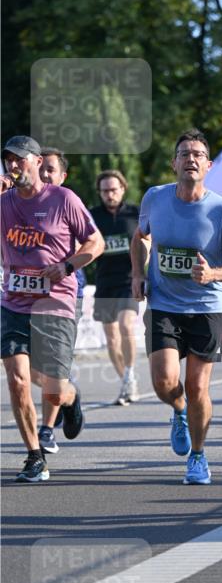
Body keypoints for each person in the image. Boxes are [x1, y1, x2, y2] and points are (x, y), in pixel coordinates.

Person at [130, 128, 222, 484]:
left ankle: (198, 457)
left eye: (198, 154)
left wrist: (213, 273)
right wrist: (138, 272)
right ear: (174, 163)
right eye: (184, 153)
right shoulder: (155, 198)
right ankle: (179, 410)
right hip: (164, 303)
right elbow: (141, 236)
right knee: (164, 382)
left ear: (209, 164)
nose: (191, 159)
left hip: (205, 307)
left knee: (198, 387)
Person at [1, 135, 104, 482]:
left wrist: (68, 266)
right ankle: (34, 455)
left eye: (18, 159)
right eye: (7, 160)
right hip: (13, 303)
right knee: (17, 379)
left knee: (54, 389)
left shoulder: (63, 199)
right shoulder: (2, 203)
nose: (12, 166)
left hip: (55, 301)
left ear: (36, 161)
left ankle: (71, 398)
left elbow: (96, 241)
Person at [36, 148, 87, 454]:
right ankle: (70, 396)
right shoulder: (18, 202)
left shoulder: (68, 202)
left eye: (50, 169)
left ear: (62, 176)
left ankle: (45, 429)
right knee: (27, 368)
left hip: (64, 295)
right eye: (40, 167)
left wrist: (64, 265)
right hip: (22, 296)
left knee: (50, 364)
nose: (44, 174)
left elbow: (90, 244)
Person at [89, 170, 141, 406]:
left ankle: (130, 373)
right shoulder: (92, 216)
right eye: (105, 191)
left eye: (114, 189)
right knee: (111, 339)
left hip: (130, 280)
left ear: (123, 189)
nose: (110, 194)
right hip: (104, 282)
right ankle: (126, 381)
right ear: (99, 192)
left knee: (126, 325)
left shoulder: (136, 213)